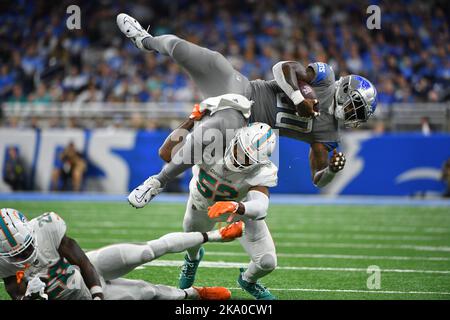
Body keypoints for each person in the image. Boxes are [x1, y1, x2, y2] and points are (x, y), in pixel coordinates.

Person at [116, 13, 378, 189]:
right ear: (345, 91)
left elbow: (317, 179)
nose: (354, 115)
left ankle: (166, 167)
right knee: (195, 53)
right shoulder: (325, 78)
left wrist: (331, 170)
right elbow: (282, 68)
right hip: (242, 89)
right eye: (355, 106)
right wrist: (298, 97)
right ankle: (146, 40)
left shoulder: (329, 133)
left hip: (244, 131)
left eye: (359, 114)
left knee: (168, 154)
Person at [128, 122, 280, 300]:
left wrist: (237, 206)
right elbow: (166, 154)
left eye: (248, 158)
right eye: (240, 150)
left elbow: (261, 207)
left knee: (267, 262)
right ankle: (192, 260)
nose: (240, 159)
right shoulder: (213, 143)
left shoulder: (263, 170)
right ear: (235, 138)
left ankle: (248, 280)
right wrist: (190, 121)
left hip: (239, 209)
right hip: (202, 205)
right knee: (191, 243)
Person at [0, 208, 243, 300]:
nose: (25, 257)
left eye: (27, 247)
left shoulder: (46, 228)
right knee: (147, 292)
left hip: (89, 271)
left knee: (147, 251)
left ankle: (216, 236)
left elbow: (82, 260)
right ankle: (192, 294)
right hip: (73, 297)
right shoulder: (4, 264)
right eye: (16, 255)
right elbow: (15, 292)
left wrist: (97, 295)